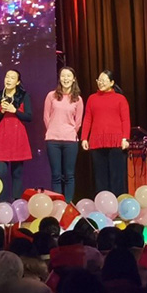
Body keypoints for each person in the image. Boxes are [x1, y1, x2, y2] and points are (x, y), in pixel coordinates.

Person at [81, 69, 130, 196]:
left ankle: (118, 202)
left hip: (116, 142)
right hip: (97, 142)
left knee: (117, 176)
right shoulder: (92, 98)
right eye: (99, 80)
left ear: (112, 82)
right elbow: (87, 119)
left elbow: (125, 120)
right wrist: (84, 138)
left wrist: (125, 138)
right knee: (100, 177)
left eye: (104, 80)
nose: (100, 83)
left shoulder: (120, 99)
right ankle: (102, 203)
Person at [0, 69, 32, 203]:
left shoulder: (24, 96)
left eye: (12, 78)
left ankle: (16, 203)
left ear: (18, 82)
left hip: (18, 137)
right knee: (1, 173)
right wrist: (2, 111)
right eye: (7, 77)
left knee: (17, 173)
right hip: (2, 137)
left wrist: (15, 111)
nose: (8, 80)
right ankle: (2, 203)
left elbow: (29, 117)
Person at [44, 67, 84, 203]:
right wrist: (53, 130)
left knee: (69, 175)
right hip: (52, 140)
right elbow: (46, 117)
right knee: (56, 175)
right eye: (63, 76)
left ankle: (67, 204)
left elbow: (78, 122)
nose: (65, 79)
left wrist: (69, 132)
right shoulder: (51, 96)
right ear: (59, 78)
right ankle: (58, 203)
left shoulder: (77, 99)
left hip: (70, 140)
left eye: (68, 76)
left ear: (73, 79)